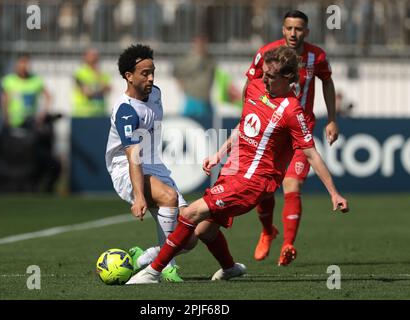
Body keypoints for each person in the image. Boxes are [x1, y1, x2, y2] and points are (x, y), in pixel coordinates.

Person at [126, 46, 349, 284]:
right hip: (233, 170)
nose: (263, 79)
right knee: (204, 230)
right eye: (263, 73)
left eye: (270, 76)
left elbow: (312, 154)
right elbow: (244, 127)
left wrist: (334, 193)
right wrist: (218, 154)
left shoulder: (292, 111)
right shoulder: (255, 88)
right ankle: (230, 268)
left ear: (287, 78)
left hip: (253, 181)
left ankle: (153, 272)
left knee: (190, 213)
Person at [244, 10, 339, 265]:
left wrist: (331, 119)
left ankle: (288, 245)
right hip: (271, 133)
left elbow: (328, 82)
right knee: (263, 191)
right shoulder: (268, 53)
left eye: (298, 29)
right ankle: (267, 232)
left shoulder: (316, 56)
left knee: (292, 185)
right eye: (289, 28)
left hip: (299, 130)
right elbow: (250, 84)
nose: (293, 33)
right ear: (283, 30)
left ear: (306, 32)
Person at [105, 44, 197, 282]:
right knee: (168, 197)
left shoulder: (155, 93)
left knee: (189, 237)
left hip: (155, 165)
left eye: (152, 71)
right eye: (144, 73)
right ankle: (167, 267)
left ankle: (142, 259)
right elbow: (132, 155)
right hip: (126, 169)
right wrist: (139, 196)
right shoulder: (126, 111)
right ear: (128, 76)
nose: (151, 77)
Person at [1, 54, 60, 192]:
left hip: (30, 124)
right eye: (21, 64)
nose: (23, 67)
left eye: (26, 64)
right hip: (14, 124)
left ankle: (32, 182)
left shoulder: (36, 80)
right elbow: (4, 100)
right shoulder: (9, 81)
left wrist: (42, 113)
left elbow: (48, 96)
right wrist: (6, 117)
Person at [173, 35, 216, 124]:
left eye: (204, 43)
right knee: (189, 125)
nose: (202, 46)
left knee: (209, 126)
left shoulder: (210, 59)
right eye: (199, 44)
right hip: (192, 100)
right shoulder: (188, 60)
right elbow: (176, 72)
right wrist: (181, 85)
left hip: (206, 100)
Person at [72, 48, 111, 117]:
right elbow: (87, 92)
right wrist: (100, 88)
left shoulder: (102, 73)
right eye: (91, 55)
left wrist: (98, 78)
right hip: (83, 113)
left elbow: (108, 89)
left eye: (95, 55)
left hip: (100, 112)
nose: (94, 58)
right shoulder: (80, 73)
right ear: (85, 57)